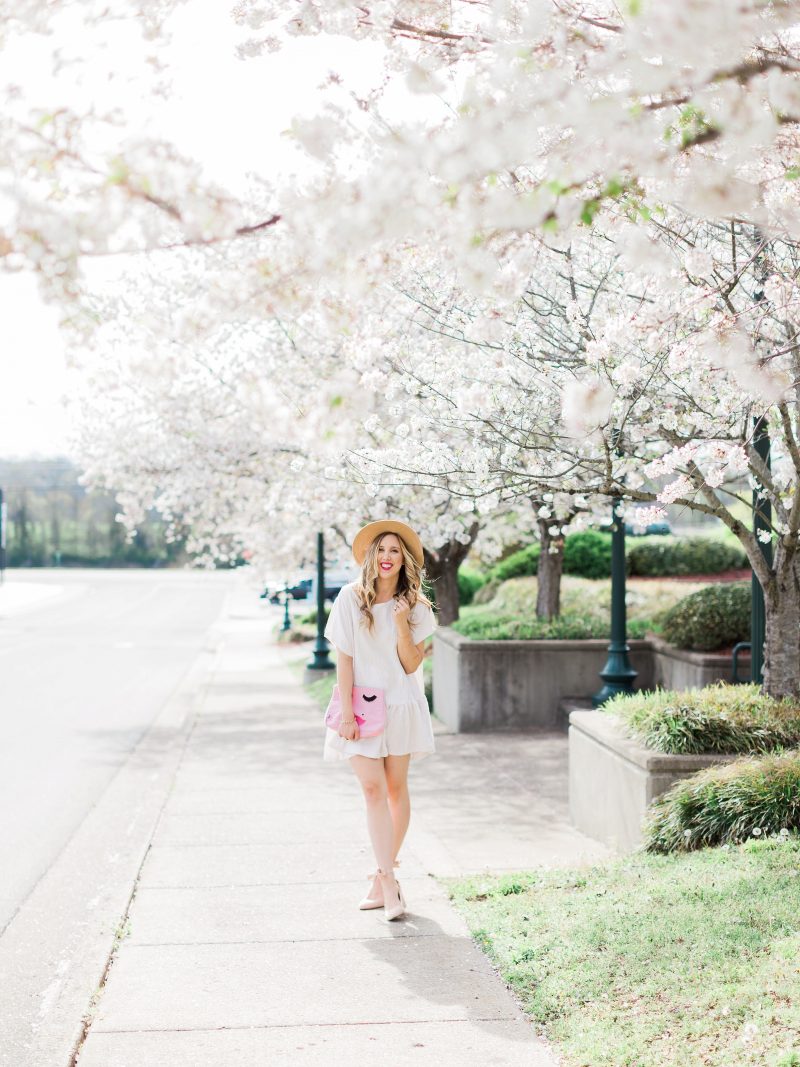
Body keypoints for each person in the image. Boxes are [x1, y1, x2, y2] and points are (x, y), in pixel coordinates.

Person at [323, 519, 437, 920]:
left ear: (404, 559)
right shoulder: (350, 599)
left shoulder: (417, 607)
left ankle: (381, 876)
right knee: (372, 790)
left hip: (401, 703)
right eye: (382, 550)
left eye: (395, 551)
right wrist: (349, 715)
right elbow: (345, 658)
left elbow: (410, 665)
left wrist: (403, 623)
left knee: (394, 789)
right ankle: (389, 881)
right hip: (361, 708)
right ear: (371, 556)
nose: (387, 557)